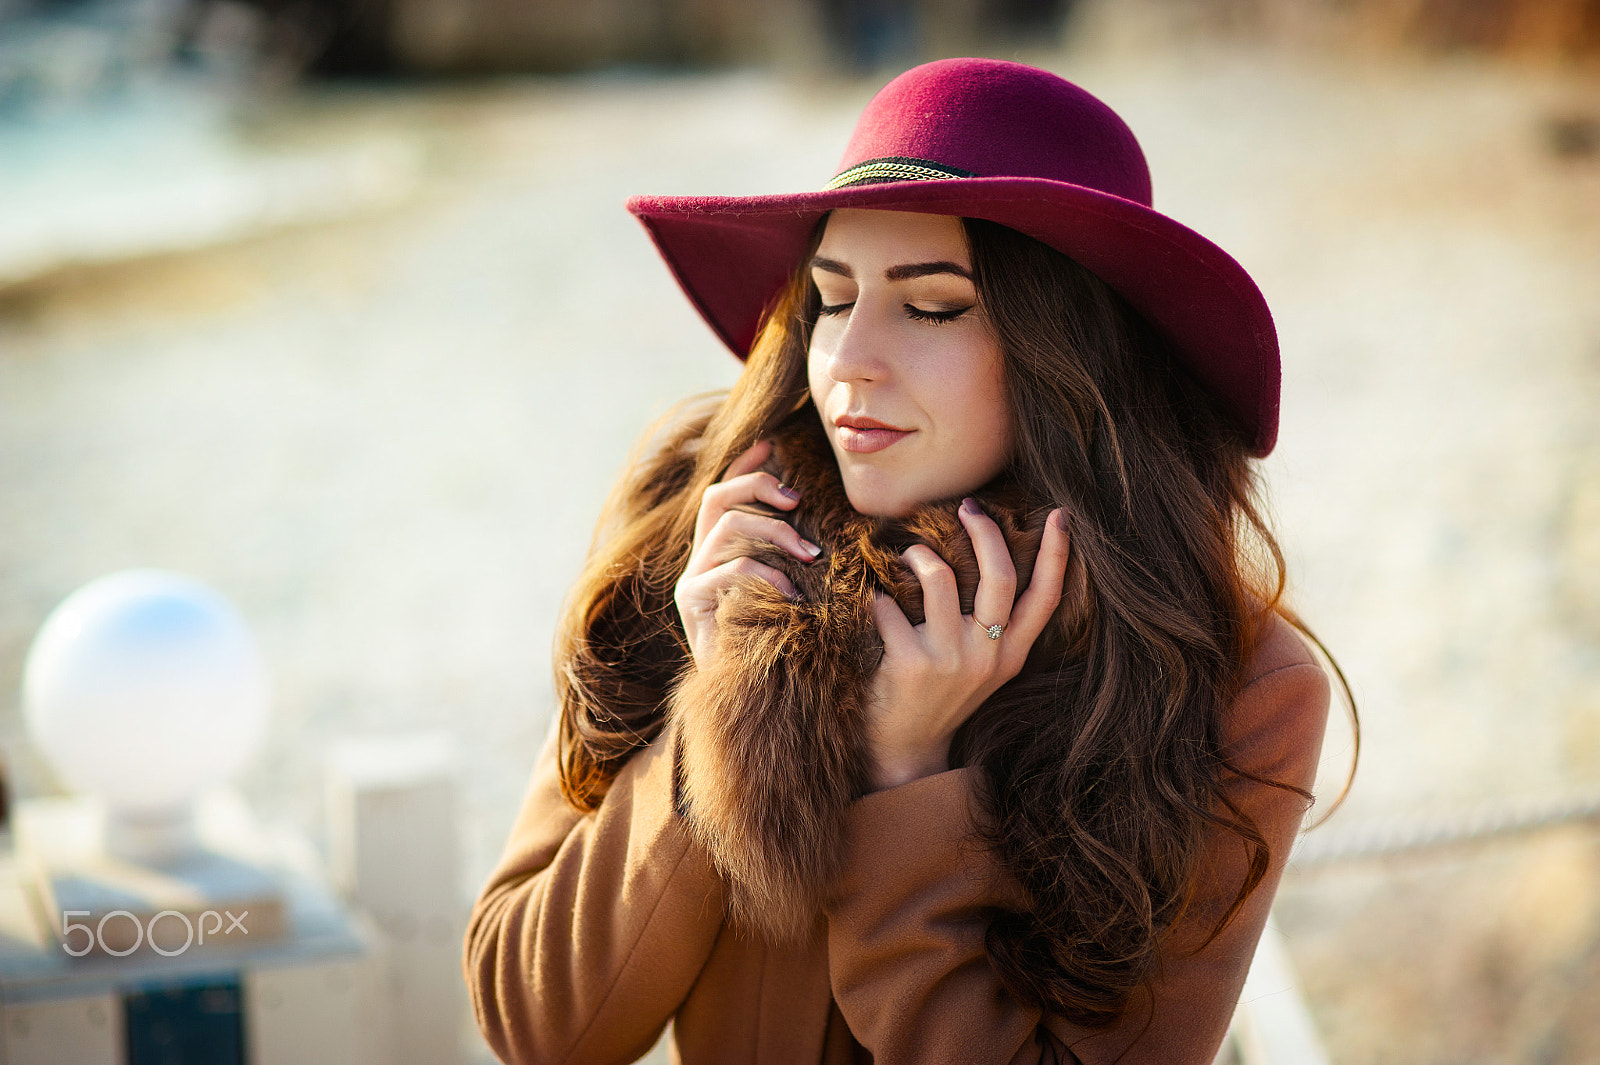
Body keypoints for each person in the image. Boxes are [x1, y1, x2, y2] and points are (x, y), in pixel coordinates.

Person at [463, 57, 1347, 1064]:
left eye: (930, 307)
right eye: (832, 301)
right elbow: (536, 1027)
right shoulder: (701, 548)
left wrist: (905, 787)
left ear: (1073, 356)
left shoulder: (1237, 686)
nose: (851, 359)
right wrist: (708, 717)